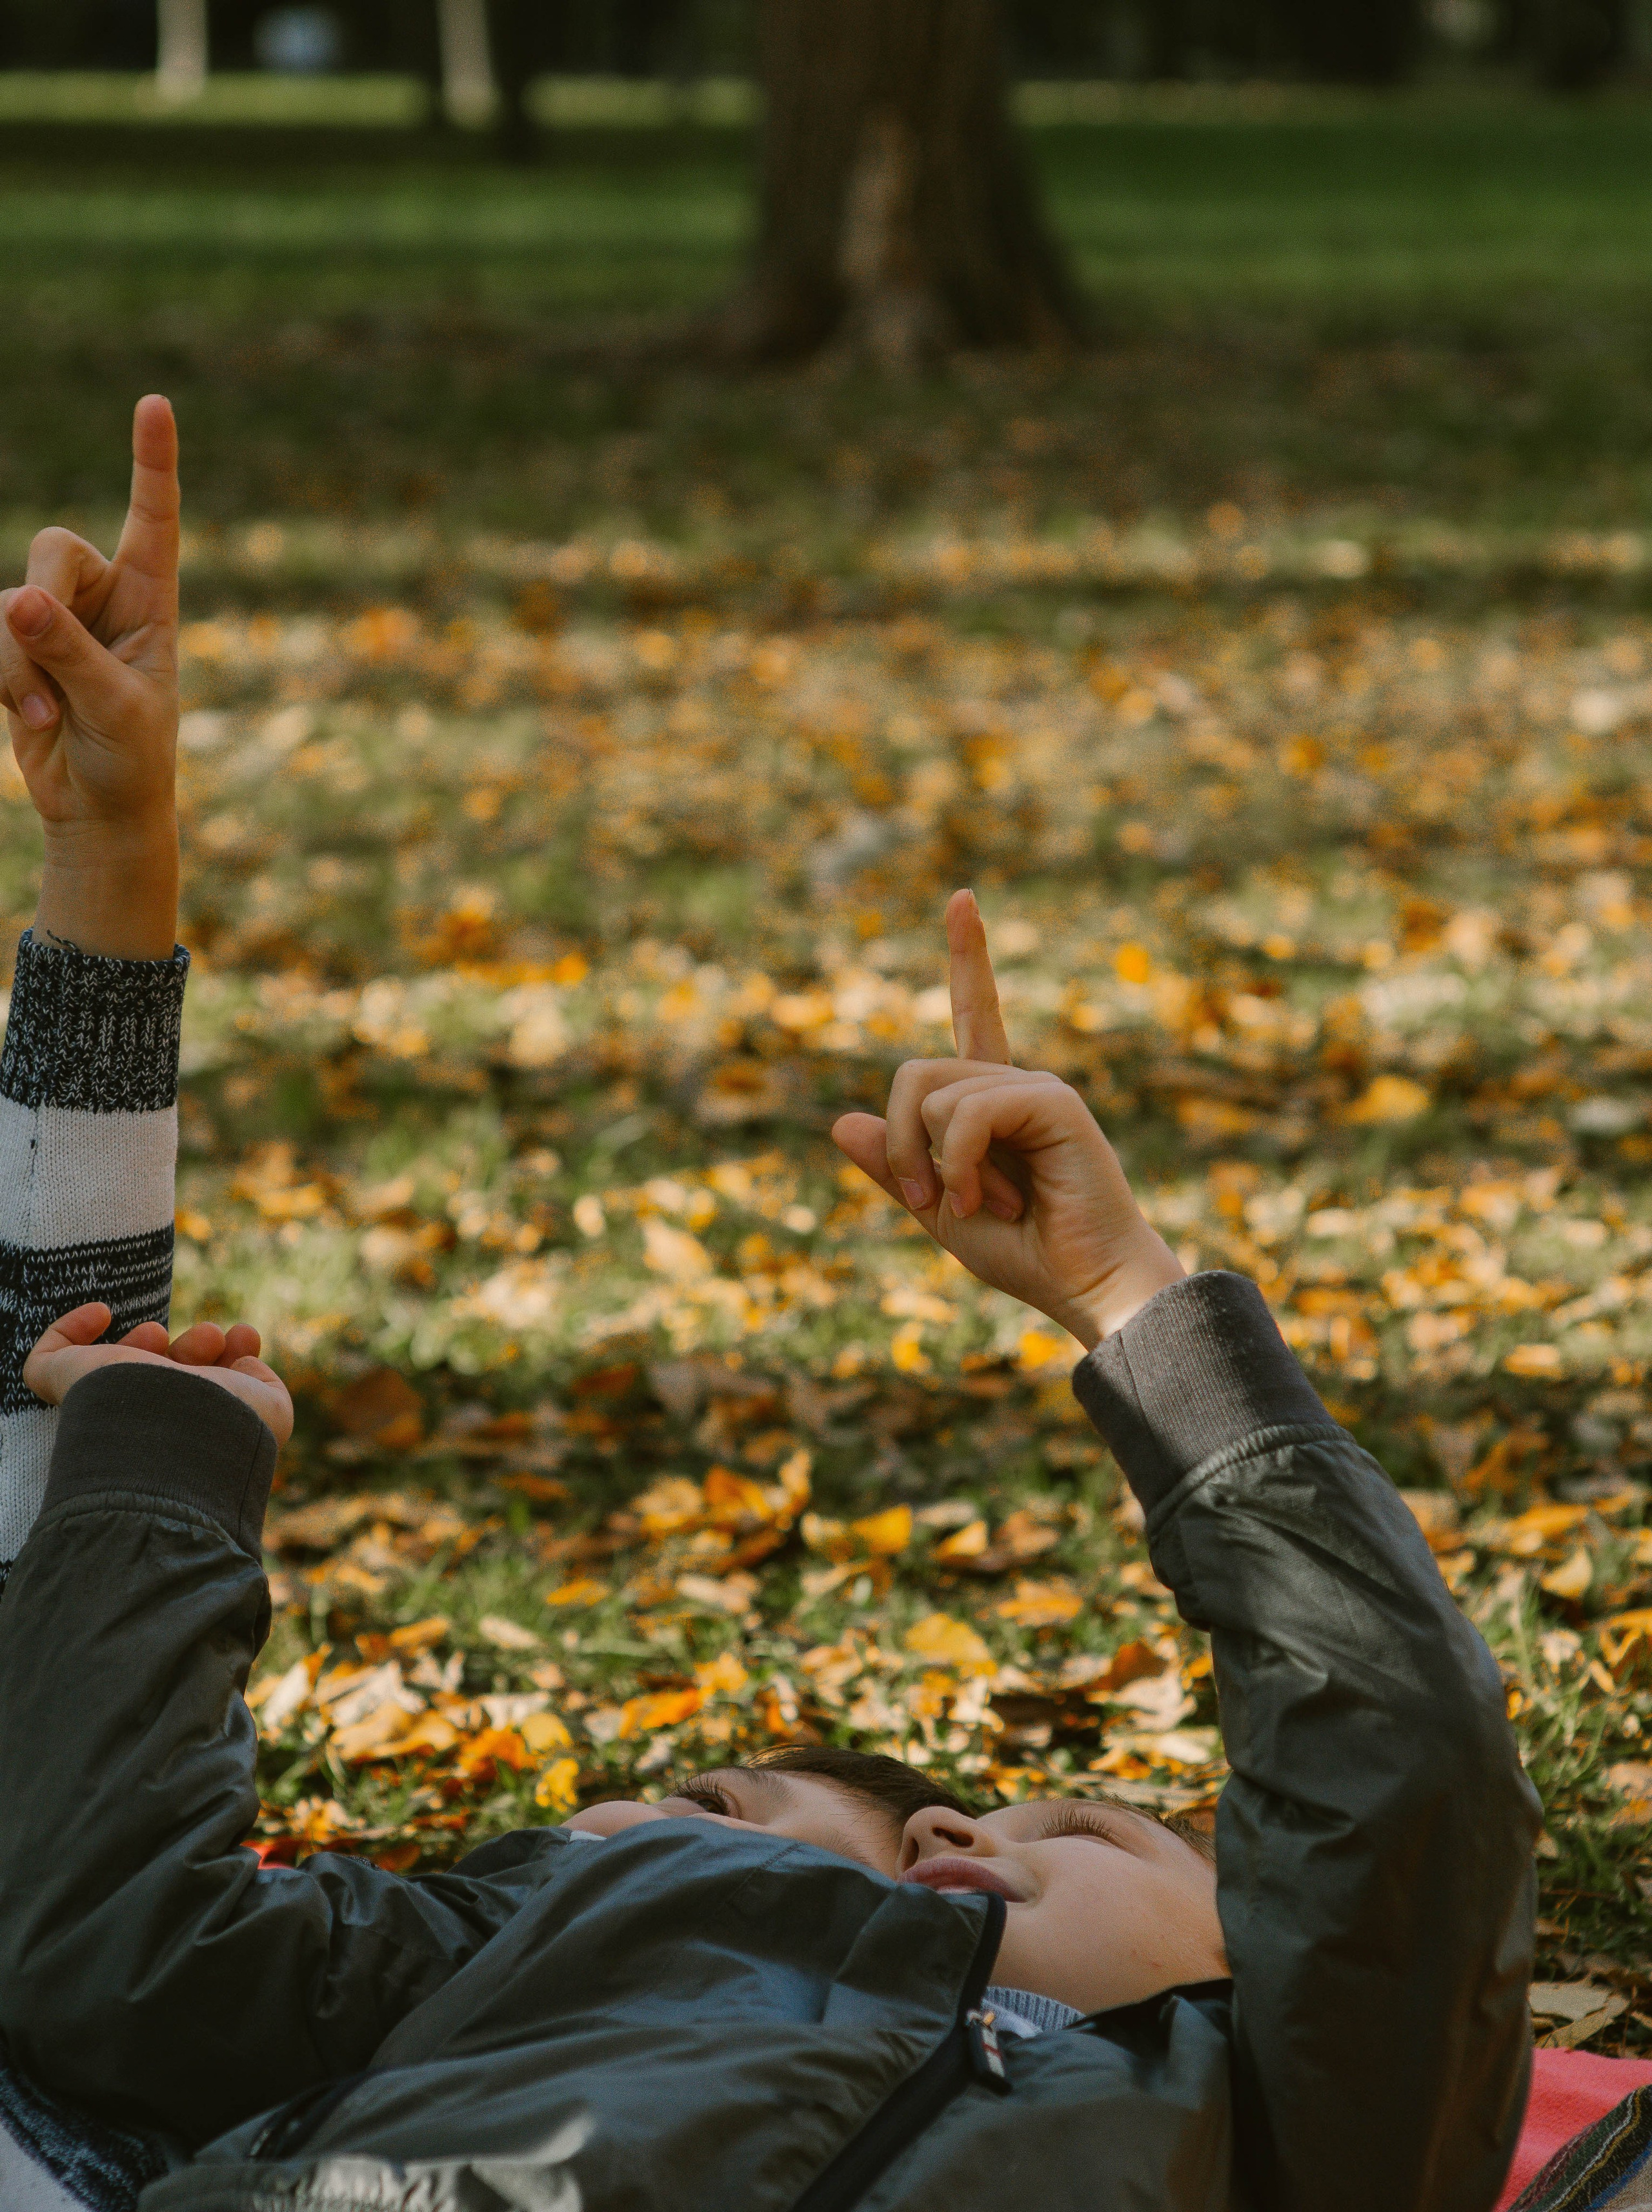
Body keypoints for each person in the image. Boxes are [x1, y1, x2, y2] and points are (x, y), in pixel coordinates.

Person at [0, 414, 1542, 2212]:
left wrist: (1139, 1302)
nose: (958, 1829)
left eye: (1087, 1827)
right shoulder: (480, 1964)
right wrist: (149, 1472)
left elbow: (1400, 1772)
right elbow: (99, 1942)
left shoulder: (1285, 2116)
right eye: (718, 1813)